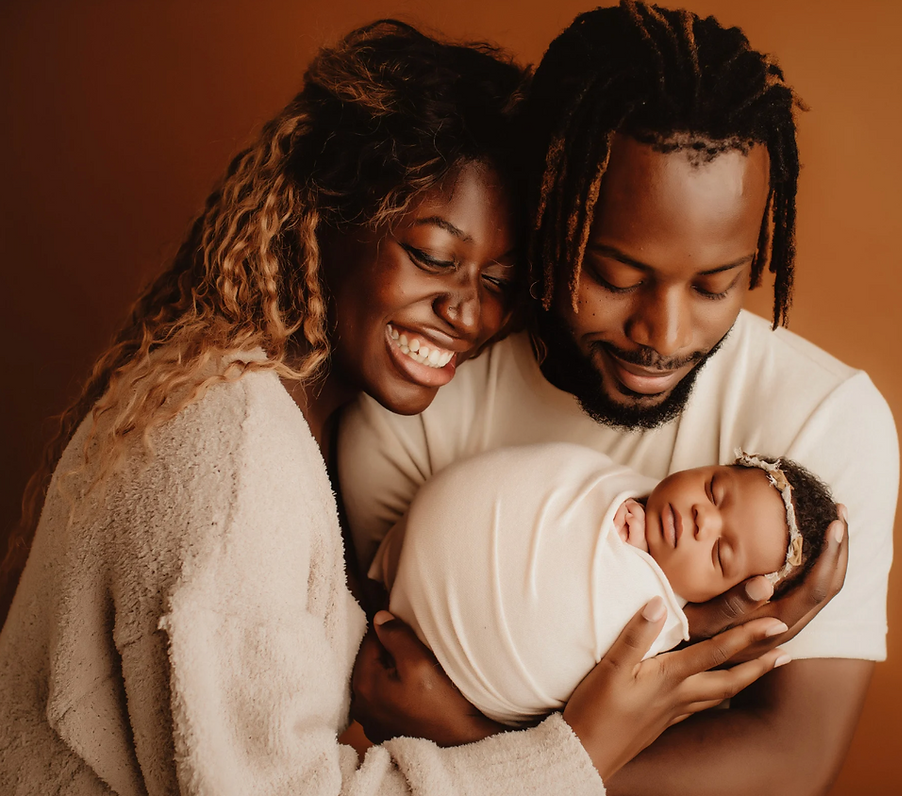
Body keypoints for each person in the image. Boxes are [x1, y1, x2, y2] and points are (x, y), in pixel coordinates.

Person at [0, 19, 791, 795]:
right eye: (433, 257)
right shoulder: (241, 454)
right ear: (329, 213)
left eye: (498, 284)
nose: (468, 314)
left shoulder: (264, 408)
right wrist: (578, 751)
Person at [338, 3, 899, 794]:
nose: (662, 335)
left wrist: (485, 747)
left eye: (716, 285)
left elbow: (789, 761)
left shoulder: (824, 421)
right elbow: (384, 682)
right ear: (549, 215)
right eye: (614, 275)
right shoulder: (420, 394)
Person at [370, 443, 833, 726]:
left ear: (729, 596)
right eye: (714, 490)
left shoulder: (658, 632)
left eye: (718, 553)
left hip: (445, 677)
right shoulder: (619, 483)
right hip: (393, 557)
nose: (701, 518)